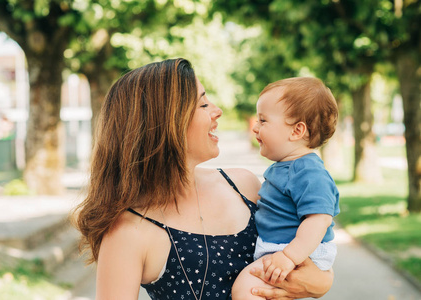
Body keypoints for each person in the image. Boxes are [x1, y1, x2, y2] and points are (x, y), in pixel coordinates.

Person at [73, 59, 334, 300]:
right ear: (167, 122)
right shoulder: (127, 232)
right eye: (203, 104)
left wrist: (320, 284)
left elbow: (314, 261)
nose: (218, 111)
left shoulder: (244, 185)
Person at [232, 77, 340, 299]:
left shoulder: (308, 171)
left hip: (297, 250)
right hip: (284, 248)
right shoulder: (287, 166)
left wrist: (290, 256)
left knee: (247, 289)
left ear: (296, 130)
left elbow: (319, 219)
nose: (254, 127)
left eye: (263, 120)